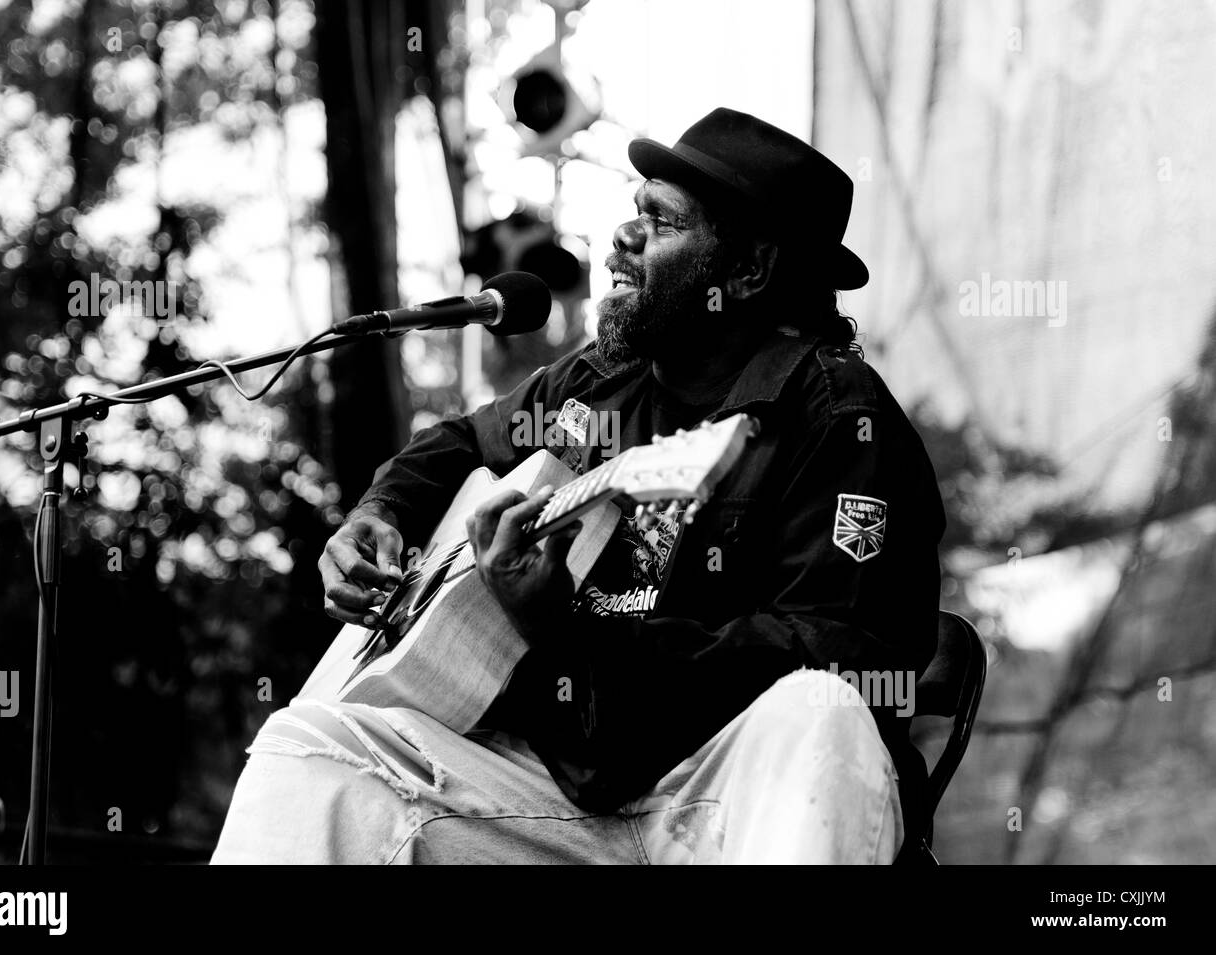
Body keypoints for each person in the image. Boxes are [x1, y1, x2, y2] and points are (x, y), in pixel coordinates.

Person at [213, 107, 946, 864]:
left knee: (819, 708)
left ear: (748, 271)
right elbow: (458, 441)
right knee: (311, 748)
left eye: (661, 224)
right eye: (635, 212)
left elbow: (849, 657)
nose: (624, 237)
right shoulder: (598, 383)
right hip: (570, 789)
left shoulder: (840, 424)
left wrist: (567, 627)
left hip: (725, 796)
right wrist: (383, 509)